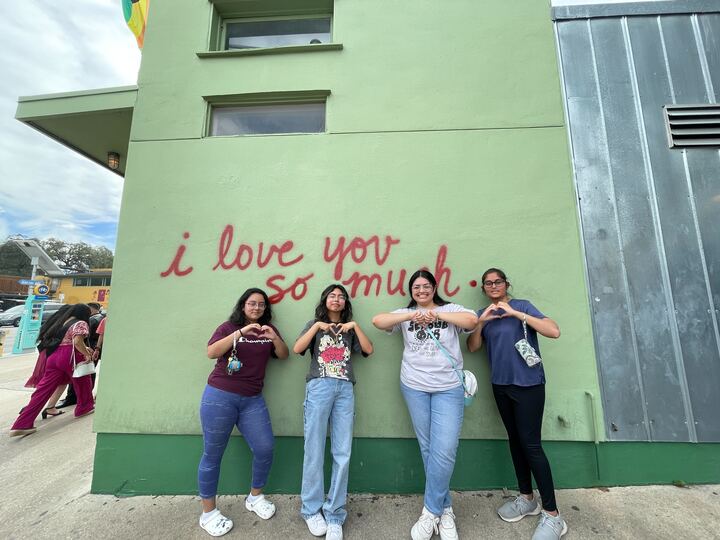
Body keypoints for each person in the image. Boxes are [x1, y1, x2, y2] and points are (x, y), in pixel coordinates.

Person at [372, 270, 478, 540]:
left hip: (448, 388)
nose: (421, 291)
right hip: (414, 386)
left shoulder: (449, 309)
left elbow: (472, 320)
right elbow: (378, 321)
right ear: (411, 291)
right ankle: (446, 510)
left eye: (426, 286)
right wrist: (410, 315)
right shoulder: (405, 314)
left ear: (434, 288)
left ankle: (431, 511)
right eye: (416, 287)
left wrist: (437, 315)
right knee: (428, 447)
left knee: (445, 449)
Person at [467, 268, 566, 540]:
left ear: (506, 283)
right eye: (488, 283)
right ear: (484, 289)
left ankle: (553, 515)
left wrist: (515, 313)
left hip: (529, 385)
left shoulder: (522, 306)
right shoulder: (482, 313)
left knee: (531, 445)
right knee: (515, 441)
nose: (493, 286)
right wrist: (482, 322)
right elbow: (473, 346)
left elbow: (553, 330)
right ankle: (527, 498)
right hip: (501, 385)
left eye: (498, 281)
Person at [198, 288, 289, 537]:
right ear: (243, 306)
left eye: (261, 305)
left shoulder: (268, 330)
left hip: (252, 400)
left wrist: (274, 338)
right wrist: (241, 332)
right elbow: (212, 352)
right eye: (252, 303)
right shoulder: (228, 327)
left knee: (265, 447)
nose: (256, 308)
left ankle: (255, 497)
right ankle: (208, 513)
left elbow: (283, 355)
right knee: (213, 454)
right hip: (219, 397)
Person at [293, 284, 374, 540]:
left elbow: (369, 350)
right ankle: (311, 510)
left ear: (345, 302)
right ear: (325, 300)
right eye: (332, 295)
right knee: (313, 449)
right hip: (319, 387)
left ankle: (335, 514)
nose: (336, 299)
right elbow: (297, 349)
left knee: (342, 452)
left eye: (341, 296)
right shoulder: (314, 325)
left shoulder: (350, 328)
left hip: (345, 389)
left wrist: (356, 327)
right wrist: (318, 327)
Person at [10, 304, 95, 437]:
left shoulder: (61, 321)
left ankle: (22, 423)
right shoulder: (81, 322)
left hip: (53, 356)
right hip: (70, 356)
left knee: (42, 390)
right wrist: (87, 353)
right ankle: (84, 407)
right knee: (83, 382)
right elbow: (77, 341)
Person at [23, 304, 73, 418]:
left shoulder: (52, 321)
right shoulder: (66, 323)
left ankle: (32, 406)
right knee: (61, 381)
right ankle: (49, 406)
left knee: (44, 381)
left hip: (45, 352)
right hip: (56, 353)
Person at [57, 303, 103, 408]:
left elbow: (78, 340)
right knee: (88, 373)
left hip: (81, 351)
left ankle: (74, 399)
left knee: (78, 376)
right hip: (91, 349)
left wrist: (86, 353)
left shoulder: (87, 321)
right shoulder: (101, 318)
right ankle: (85, 402)